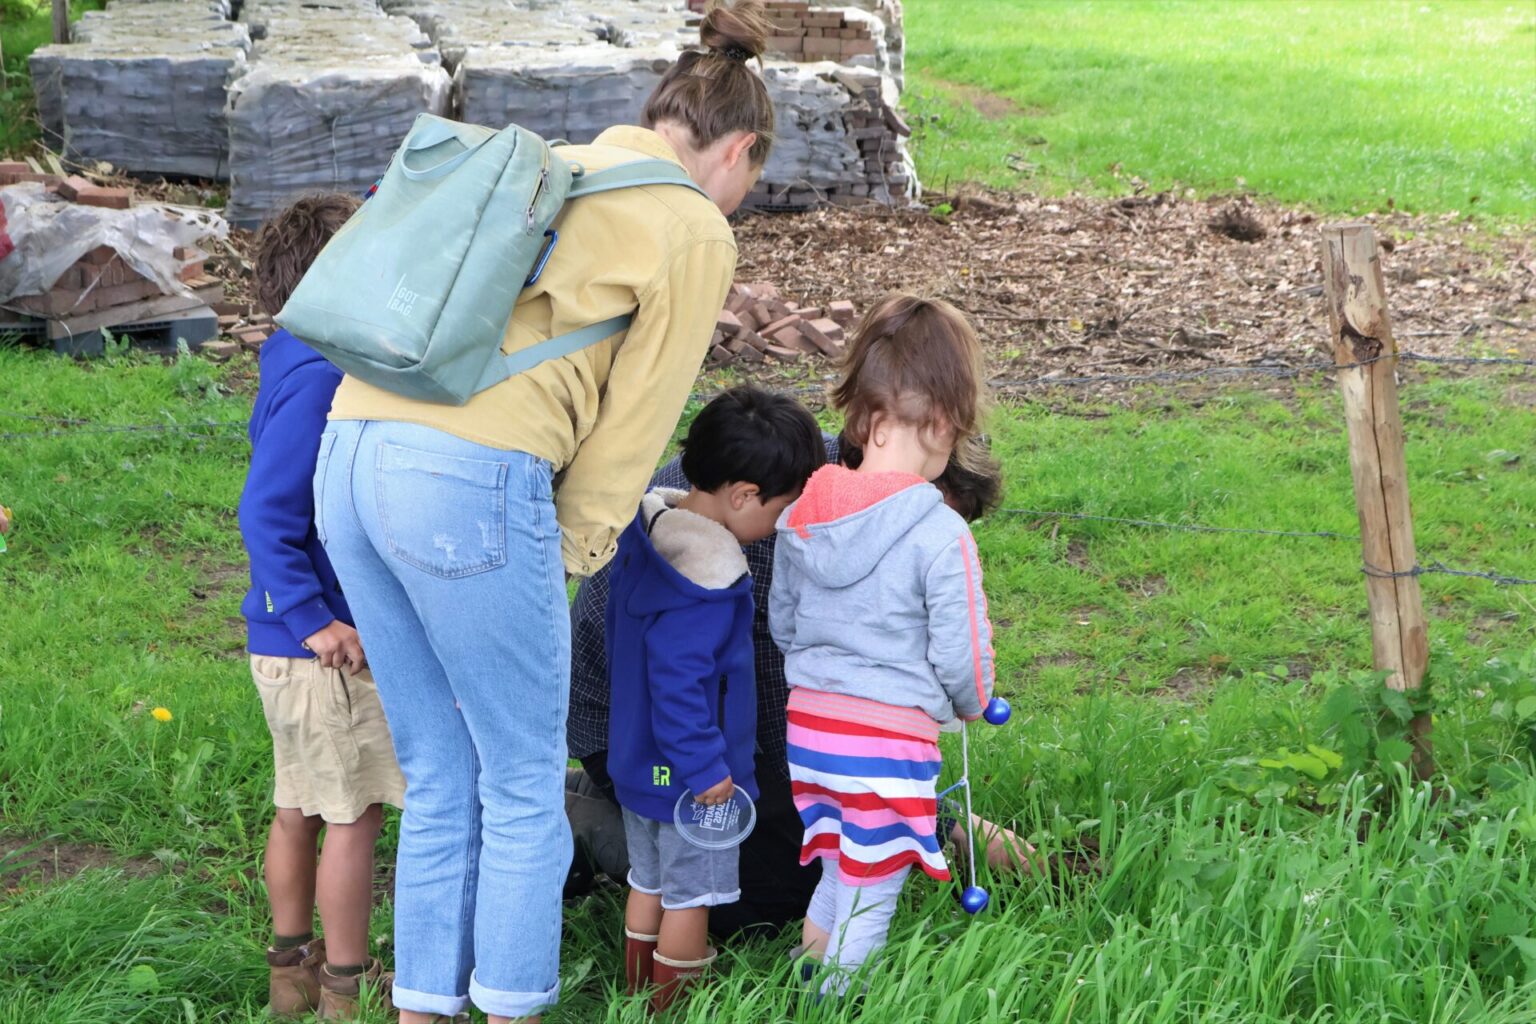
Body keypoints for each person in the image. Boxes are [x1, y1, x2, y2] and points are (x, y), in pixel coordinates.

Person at [313, 2, 778, 1020]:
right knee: (524, 783)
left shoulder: (554, 162)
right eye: (753, 179)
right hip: (467, 480)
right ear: (738, 149)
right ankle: (512, 1006)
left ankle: (422, 1007)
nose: (744, 199)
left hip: (348, 449)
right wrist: (569, 552)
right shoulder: (692, 225)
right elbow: (635, 425)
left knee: (440, 773)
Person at [564, 438, 1027, 939]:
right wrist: (927, 819)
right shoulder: (790, 519)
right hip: (640, 731)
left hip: (666, 717)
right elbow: (787, 718)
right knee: (775, 893)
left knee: (816, 850)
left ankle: (606, 802)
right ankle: (590, 827)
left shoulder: (812, 478)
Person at [770, 294, 997, 996]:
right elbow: (963, 651)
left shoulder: (803, 513)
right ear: (943, 422)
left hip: (810, 732)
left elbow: (783, 622)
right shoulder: (941, 532)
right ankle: (836, 1004)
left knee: (843, 866)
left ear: (864, 415)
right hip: (886, 744)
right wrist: (971, 703)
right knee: (874, 891)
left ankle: (802, 987)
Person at [237, 193, 406, 1020]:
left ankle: (290, 973)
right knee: (354, 814)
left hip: (286, 643)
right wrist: (314, 617)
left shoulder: (289, 355)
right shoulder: (322, 376)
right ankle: (345, 985)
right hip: (320, 646)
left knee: (300, 805)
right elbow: (266, 510)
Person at [607, 387, 824, 1012]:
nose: (781, 525)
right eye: (782, 509)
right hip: (690, 777)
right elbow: (679, 684)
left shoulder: (651, 535)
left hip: (638, 761)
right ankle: (677, 1005)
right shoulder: (707, 578)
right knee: (692, 895)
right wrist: (707, 771)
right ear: (743, 495)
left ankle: (636, 992)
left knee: (647, 880)